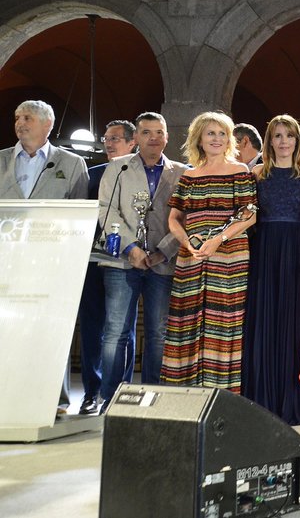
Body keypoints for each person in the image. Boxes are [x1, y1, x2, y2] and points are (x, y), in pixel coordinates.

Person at [1, 99, 89, 414]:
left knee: (52, 329)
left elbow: (78, 216)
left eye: (27, 118)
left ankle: (56, 399)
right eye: (17, 118)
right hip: (6, 262)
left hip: (51, 264)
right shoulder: (1, 161)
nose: (20, 123)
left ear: (47, 124)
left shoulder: (71, 163)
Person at [96, 112, 186, 412]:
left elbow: (187, 218)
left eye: (159, 132)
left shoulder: (182, 173)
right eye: (147, 132)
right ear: (137, 138)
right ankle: (109, 400)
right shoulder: (118, 168)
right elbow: (107, 212)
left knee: (159, 333)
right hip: (123, 262)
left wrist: (163, 250)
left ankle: (154, 399)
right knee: (116, 332)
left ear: (167, 137)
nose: (154, 138)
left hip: (163, 262)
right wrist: (131, 248)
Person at [164, 111, 257, 391]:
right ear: (199, 139)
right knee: (188, 320)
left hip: (230, 257)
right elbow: (173, 219)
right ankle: (187, 391)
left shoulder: (240, 171)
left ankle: (223, 393)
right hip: (192, 259)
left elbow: (250, 215)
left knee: (224, 320)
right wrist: (188, 243)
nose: (216, 139)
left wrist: (218, 240)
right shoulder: (189, 176)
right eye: (210, 133)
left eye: (221, 133)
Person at [244, 115, 300, 425]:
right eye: (278, 136)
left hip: (298, 251)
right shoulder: (256, 173)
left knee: (293, 320)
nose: (284, 141)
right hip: (265, 250)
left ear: (297, 141)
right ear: (269, 141)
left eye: (289, 135)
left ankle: (291, 401)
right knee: (264, 319)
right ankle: (261, 401)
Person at [81, 118, 136, 415]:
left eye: (116, 138)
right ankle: (92, 391)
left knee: (123, 328)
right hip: (91, 260)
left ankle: (121, 392)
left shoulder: (137, 173)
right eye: (106, 138)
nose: (109, 143)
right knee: (92, 326)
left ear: (132, 142)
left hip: (124, 261)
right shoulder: (91, 175)